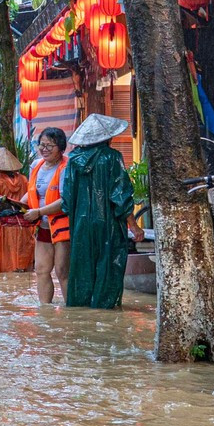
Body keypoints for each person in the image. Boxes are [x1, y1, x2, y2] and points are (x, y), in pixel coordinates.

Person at [62, 114, 139, 310]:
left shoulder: (72, 161)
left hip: (80, 225)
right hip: (108, 223)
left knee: (82, 266)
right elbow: (120, 196)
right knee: (109, 266)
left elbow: (67, 200)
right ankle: (104, 310)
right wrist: (134, 226)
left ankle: (80, 311)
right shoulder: (112, 157)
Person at [23, 126, 70, 306]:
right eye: (42, 145)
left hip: (63, 227)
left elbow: (65, 201)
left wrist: (39, 212)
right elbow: (31, 192)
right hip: (42, 226)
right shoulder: (36, 165)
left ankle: (72, 312)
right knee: (41, 269)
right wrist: (15, 205)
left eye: (50, 146)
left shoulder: (66, 167)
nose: (44, 149)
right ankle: (45, 310)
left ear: (61, 148)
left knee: (62, 271)